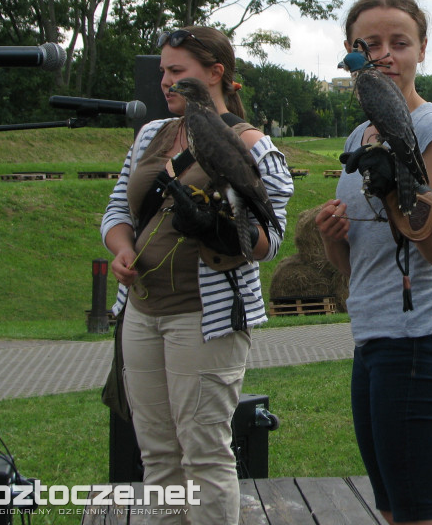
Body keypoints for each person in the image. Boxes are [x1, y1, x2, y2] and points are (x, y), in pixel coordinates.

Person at [101, 26, 293, 525]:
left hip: (204, 318)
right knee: (157, 454)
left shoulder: (254, 145)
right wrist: (122, 250)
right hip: (142, 311)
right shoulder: (151, 134)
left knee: (203, 454)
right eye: (163, 71)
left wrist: (217, 228)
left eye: (177, 72)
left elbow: (269, 243)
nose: (165, 81)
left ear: (215, 74)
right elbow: (116, 211)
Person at [315, 0, 432, 525]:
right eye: (369, 42)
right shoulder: (362, 133)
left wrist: (395, 195)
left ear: (421, 49)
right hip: (372, 336)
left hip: (417, 340)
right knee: (392, 508)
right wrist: (333, 234)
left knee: (422, 515)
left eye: (398, 42)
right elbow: (353, 268)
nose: (384, 54)